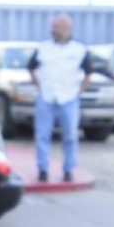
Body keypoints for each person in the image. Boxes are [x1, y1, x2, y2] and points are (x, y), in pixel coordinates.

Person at [27, 14, 93, 183]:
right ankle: (42, 169)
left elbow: (88, 72)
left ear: (66, 28)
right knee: (42, 134)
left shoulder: (79, 49)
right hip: (47, 96)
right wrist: (38, 86)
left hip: (69, 98)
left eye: (56, 27)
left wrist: (80, 91)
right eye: (52, 26)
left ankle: (68, 169)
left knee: (70, 135)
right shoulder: (44, 47)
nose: (53, 30)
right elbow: (31, 67)